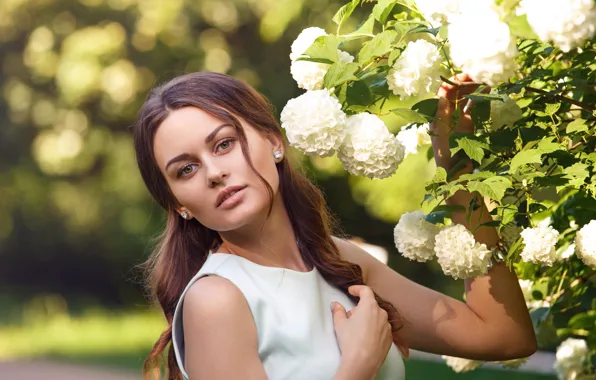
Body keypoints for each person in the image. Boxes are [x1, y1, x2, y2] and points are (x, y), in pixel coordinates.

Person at [133, 71, 537, 380]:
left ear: (274, 141)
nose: (214, 173)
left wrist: (458, 167)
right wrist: (357, 365)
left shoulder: (340, 260)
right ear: (178, 204)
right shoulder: (215, 300)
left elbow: (503, 335)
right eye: (186, 169)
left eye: (223, 143)